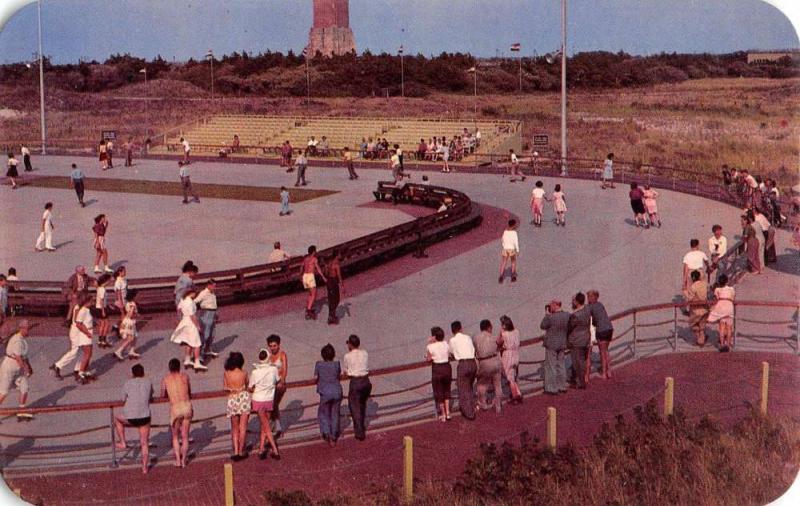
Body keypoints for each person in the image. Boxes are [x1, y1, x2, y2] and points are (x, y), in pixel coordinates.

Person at [114, 364, 153, 474]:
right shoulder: (148, 382)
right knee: (144, 443)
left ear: (132, 374)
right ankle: (145, 468)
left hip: (131, 417)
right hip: (145, 416)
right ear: (143, 373)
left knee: (117, 417)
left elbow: (123, 399)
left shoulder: (128, 383)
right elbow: (150, 396)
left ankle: (123, 442)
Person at [51, 295, 94, 383]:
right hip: (76, 331)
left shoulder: (81, 307)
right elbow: (76, 321)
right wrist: (86, 331)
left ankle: (78, 369)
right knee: (74, 351)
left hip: (79, 331)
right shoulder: (79, 308)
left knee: (83, 351)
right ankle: (58, 365)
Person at [248, 349, 281, 460]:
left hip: (258, 400)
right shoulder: (273, 369)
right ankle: (261, 448)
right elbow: (277, 380)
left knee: (265, 426)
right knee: (265, 424)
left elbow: (250, 387)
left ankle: (274, 449)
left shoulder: (255, 372)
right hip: (269, 399)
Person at [161, 358, 193, 468]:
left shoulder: (166, 379)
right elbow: (189, 391)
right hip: (186, 405)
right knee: (185, 436)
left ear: (169, 368)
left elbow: (162, 395)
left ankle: (178, 461)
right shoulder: (185, 376)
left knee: (175, 437)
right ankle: (184, 460)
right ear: (179, 367)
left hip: (175, 408)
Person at [0, 320, 34, 419]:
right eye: (27, 329)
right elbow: (18, 357)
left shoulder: (23, 339)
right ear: (22, 328)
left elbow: (24, 356)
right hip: (9, 367)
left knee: (24, 388)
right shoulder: (17, 340)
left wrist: (29, 367)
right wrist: (25, 369)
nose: (29, 331)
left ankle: (21, 411)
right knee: (4, 392)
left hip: (18, 369)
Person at [170, 287, 208, 371]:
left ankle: (187, 359)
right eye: (195, 293)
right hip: (191, 323)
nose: (195, 295)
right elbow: (192, 316)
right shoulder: (190, 302)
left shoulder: (183, 300)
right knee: (197, 343)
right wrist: (198, 326)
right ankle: (197, 362)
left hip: (184, 320)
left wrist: (180, 318)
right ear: (191, 293)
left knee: (189, 341)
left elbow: (178, 309)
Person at [343, 334, 371, 441]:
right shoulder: (365, 353)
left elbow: (346, 372)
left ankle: (359, 433)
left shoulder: (347, 356)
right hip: (366, 381)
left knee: (355, 408)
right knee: (362, 405)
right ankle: (362, 425)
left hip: (356, 382)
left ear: (350, 345)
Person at [314, 343, 343, 446]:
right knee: (335, 413)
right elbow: (338, 375)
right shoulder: (337, 364)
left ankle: (326, 432)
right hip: (337, 391)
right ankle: (334, 435)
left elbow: (315, 378)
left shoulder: (319, 364)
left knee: (324, 413)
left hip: (325, 392)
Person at [223, 352, 250, 460]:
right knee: (243, 427)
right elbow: (247, 385)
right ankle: (241, 450)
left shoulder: (227, 373)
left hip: (232, 398)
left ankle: (235, 451)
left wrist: (232, 389)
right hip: (243, 397)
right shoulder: (244, 373)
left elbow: (225, 388)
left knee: (234, 428)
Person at [541, 300, 570, 395]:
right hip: (562, 342)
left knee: (551, 366)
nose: (550, 308)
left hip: (552, 344)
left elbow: (542, 326)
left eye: (551, 306)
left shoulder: (551, 317)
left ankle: (551, 388)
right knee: (561, 365)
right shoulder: (567, 315)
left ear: (555, 305)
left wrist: (547, 314)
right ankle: (562, 385)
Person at [473, 320, 502, 414]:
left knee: (481, 384)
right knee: (497, 384)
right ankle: (498, 405)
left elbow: (474, 350)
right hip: (495, 360)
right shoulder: (493, 337)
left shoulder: (475, 338)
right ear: (489, 327)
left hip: (484, 362)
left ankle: (483, 403)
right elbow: (498, 345)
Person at [449, 321, 477, 420]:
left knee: (463, 388)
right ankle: (471, 406)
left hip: (463, 364)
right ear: (461, 328)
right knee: (469, 386)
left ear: (452, 331)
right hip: (473, 363)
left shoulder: (452, 340)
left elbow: (451, 352)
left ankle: (469, 412)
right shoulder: (468, 337)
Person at [425, 326, 452, 421]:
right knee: (446, 390)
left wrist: (430, 342)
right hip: (447, 367)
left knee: (438, 391)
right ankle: (448, 412)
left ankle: (443, 414)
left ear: (434, 337)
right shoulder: (446, 344)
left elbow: (428, 359)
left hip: (437, 369)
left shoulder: (430, 346)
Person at [586, 290, 614, 379]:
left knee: (602, 352)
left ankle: (604, 373)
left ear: (594, 297)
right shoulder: (600, 304)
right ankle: (609, 370)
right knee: (606, 351)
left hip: (601, 330)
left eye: (589, 296)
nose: (588, 298)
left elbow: (588, 317)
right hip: (609, 328)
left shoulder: (590, 307)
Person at [265, 334, 288, 439]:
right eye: (271, 346)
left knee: (273, 404)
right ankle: (277, 427)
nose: (273, 348)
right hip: (270, 385)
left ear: (278, 345)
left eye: (274, 345)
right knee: (273, 405)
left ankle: (275, 427)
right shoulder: (268, 356)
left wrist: (281, 382)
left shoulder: (282, 355)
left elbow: (284, 370)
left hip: (279, 385)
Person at [567, 293, 591, 389]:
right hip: (585, 338)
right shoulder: (587, 310)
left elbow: (569, 327)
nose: (572, 302)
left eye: (573, 300)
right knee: (582, 361)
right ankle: (580, 380)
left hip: (576, 340)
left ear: (576, 302)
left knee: (577, 362)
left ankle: (580, 382)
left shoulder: (575, 316)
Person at [497, 316, 522, 404]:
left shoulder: (504, 334)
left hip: (508, 355)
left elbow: (498, 342)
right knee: (512, 375)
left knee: (508, 377)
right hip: (516, 354)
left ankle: (515, 396)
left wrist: (500, 333)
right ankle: (518, 393)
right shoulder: (517, 331)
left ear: (504, 325)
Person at [708, 274, 735, 352]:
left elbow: (716, 298)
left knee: (722, 327)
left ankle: (722, 344)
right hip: (729, 307)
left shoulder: (717, 289)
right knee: (729, 328)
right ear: (727, 281)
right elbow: (732, 298)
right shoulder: (731, 289)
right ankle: (728, 345)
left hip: (721, 307)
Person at [194, 279, 219, 359]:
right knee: (205, 334)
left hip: (212, 313)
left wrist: (216, 314)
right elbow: (195, 301)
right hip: (206, 314)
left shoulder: (212, 293)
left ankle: (207, 350)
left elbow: (214, 304)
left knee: (212, 334)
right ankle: (199, 354)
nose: (215, 288)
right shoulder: (203, 293)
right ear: (208, 285)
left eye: (215, 286)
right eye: (213, 286)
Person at [684, 270, 709, 346]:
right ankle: (702, 338)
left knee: (693, 324)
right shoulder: (704, 284)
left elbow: (690, 298)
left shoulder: (693, 287)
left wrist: (685, 292)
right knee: (702, 325)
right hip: (704, 308)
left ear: (693, 278)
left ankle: (699, 338)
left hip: (695, 309)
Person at [302, 245, 326, 320]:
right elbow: (318, 269)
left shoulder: (305, 259)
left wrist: (301, 275)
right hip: (310, 277)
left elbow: (302, 267)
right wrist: (323, 277)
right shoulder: (314, 259)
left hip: (305, 276)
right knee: (314, 294)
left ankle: (309, 307)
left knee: (310, 293)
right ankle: (309, 310)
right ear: (313, 251)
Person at [94, 273, 113, 348]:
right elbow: (101, 300)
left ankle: (100, 340)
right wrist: (103, 311)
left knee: (102, 324)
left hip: (99, 307)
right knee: (106, 324)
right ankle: (104, 340)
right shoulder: (102, 289)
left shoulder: (99, 288)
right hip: (101, 308)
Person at [325, 250, 344, 325]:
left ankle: (331, 315)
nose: (340, 256)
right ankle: (331, 316)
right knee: (337, 299)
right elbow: (339, 276)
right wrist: (342, 286)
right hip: (334, 282)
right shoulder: (336, 265)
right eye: (339, 254)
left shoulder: (329, 263)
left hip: (329, 281)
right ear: (337, 256)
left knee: (330, 299)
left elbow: (326, 272)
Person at [499, 219, 519, 284]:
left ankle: (501, 276)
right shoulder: (514, 233)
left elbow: (502, 240)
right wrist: (517, 250)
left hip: (505, 249)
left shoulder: (505, 232)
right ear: (513, 225)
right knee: (513, 262)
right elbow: (516, 242)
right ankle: (513, 276)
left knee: (504, 262)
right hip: (511, 249)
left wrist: (504, 245)